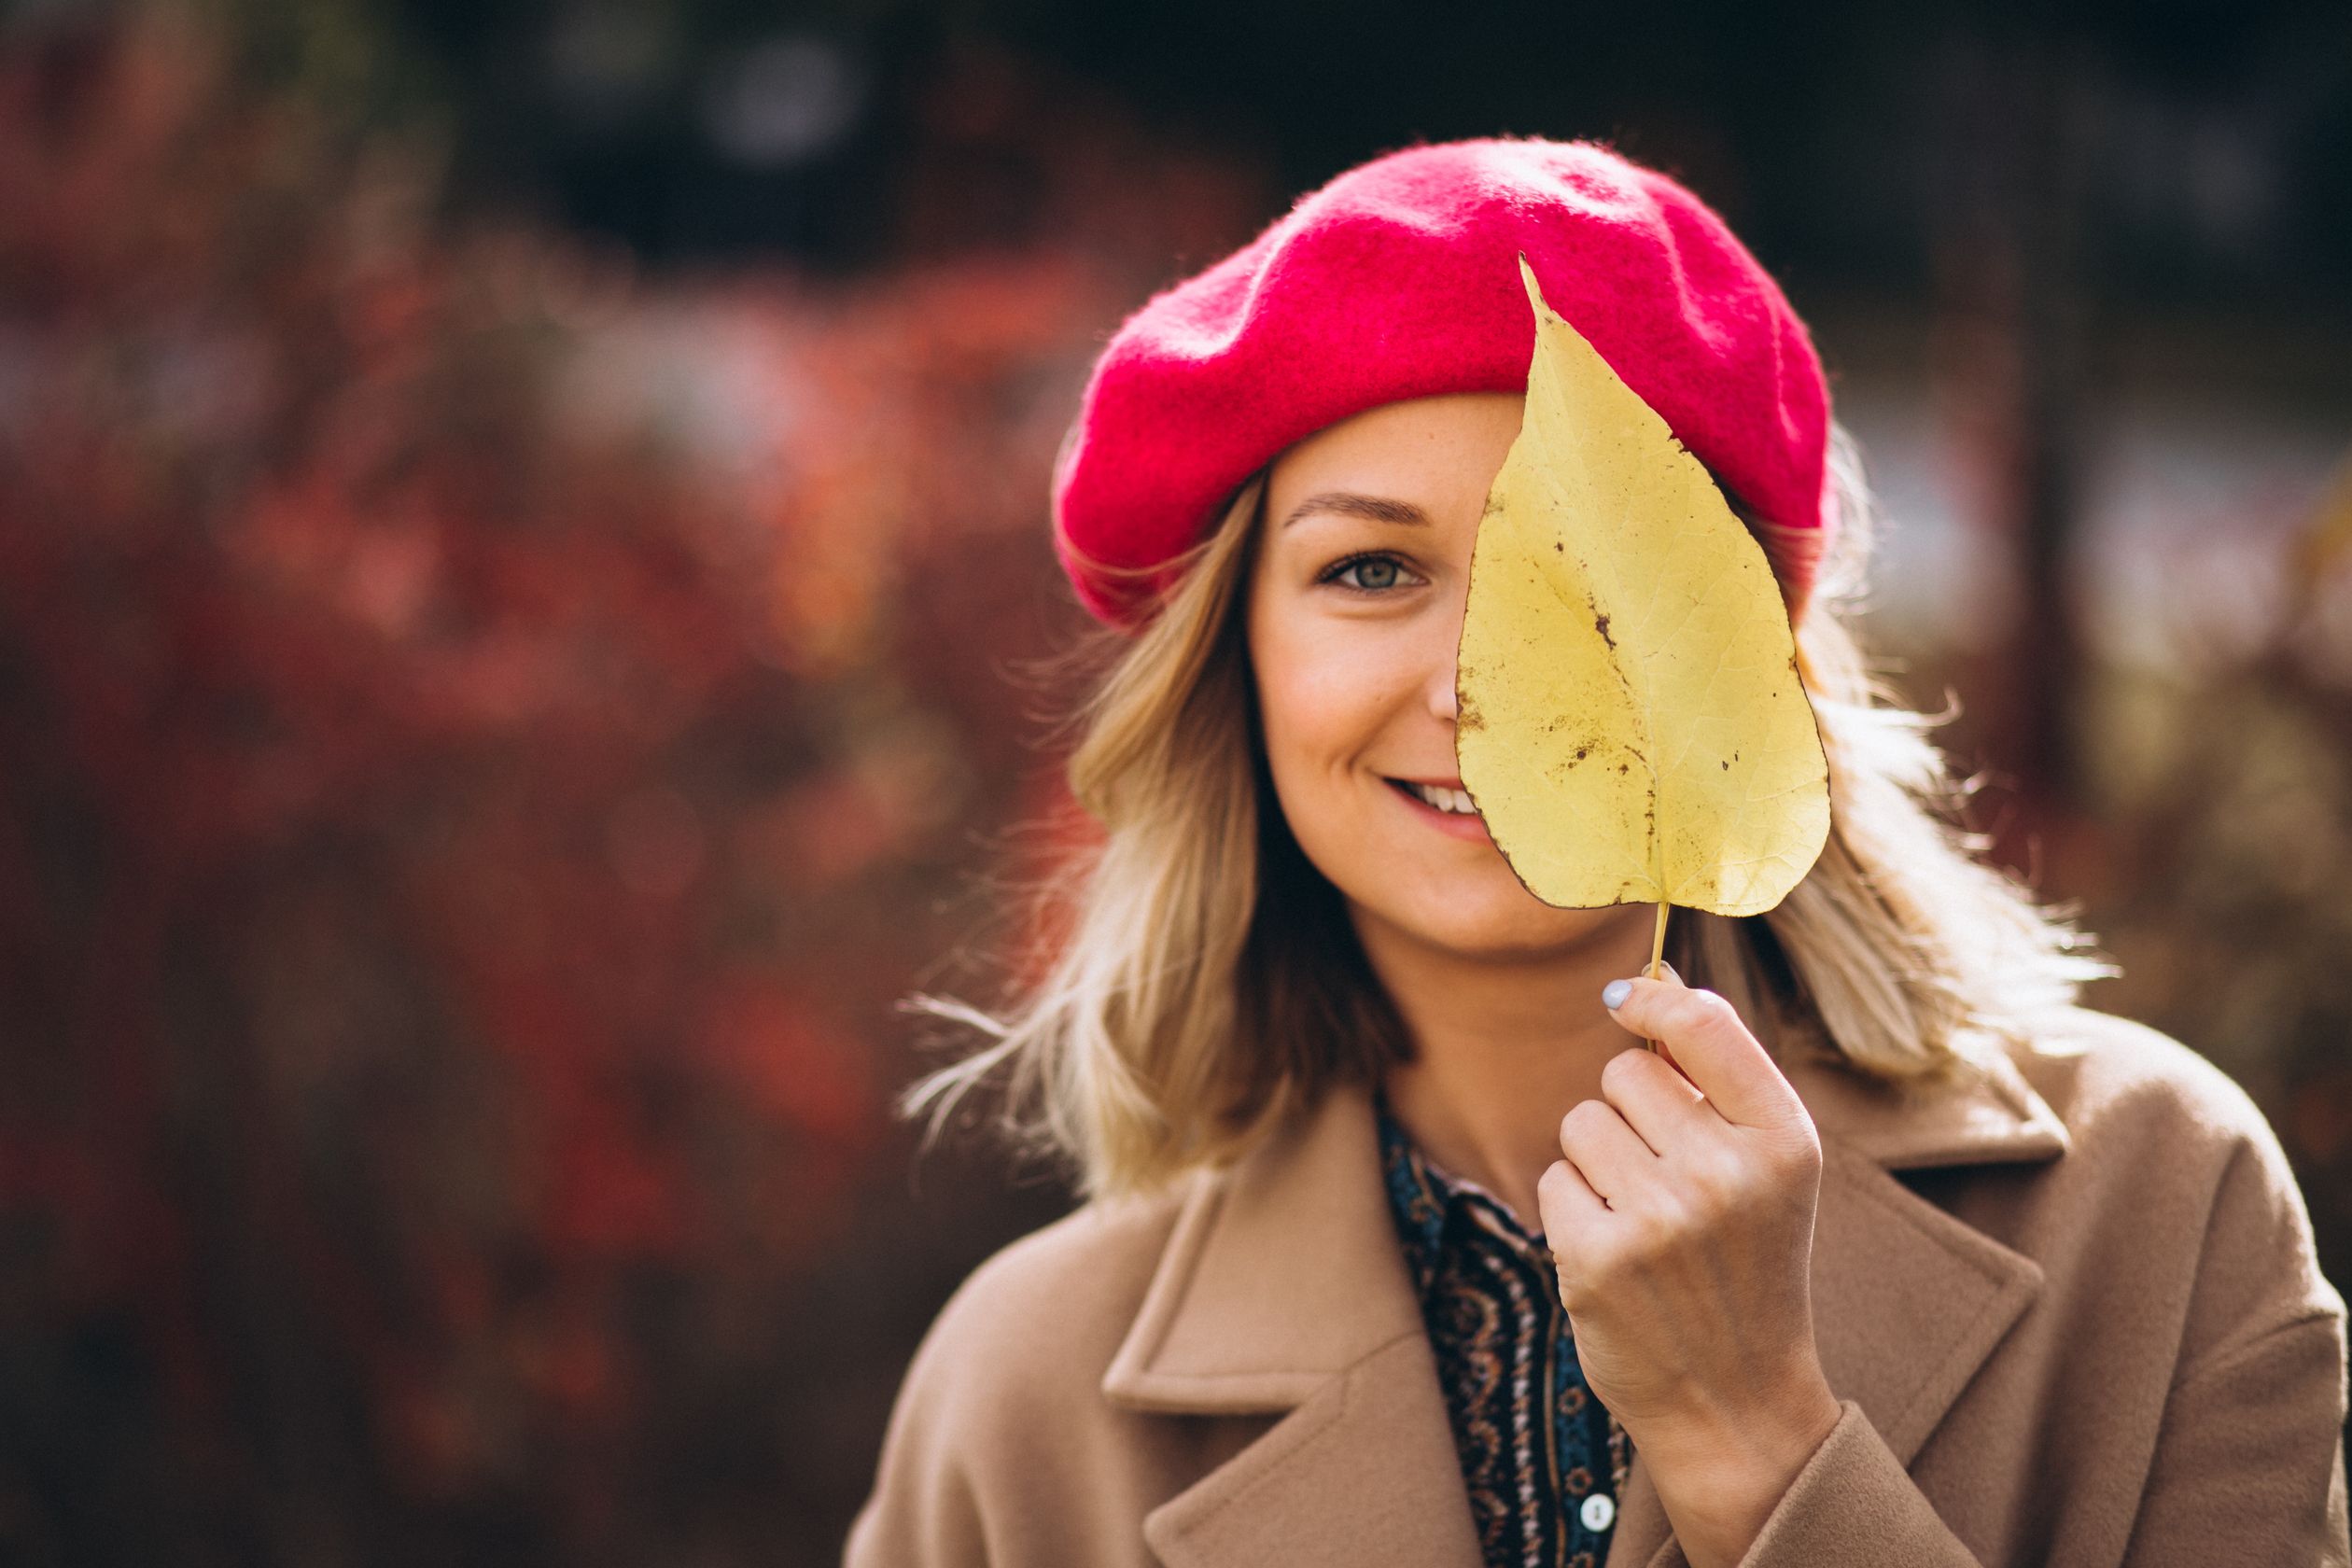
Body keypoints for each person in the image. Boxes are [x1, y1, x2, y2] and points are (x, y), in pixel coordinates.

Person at [839, 137, 2351, 1567]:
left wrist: (1758, 1439)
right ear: (1234, 667)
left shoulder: (2156, 1202)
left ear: (1742, 655)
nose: (1481, 681)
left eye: (1580, 572)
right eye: (1371, 570)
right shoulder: (1021, 1396)